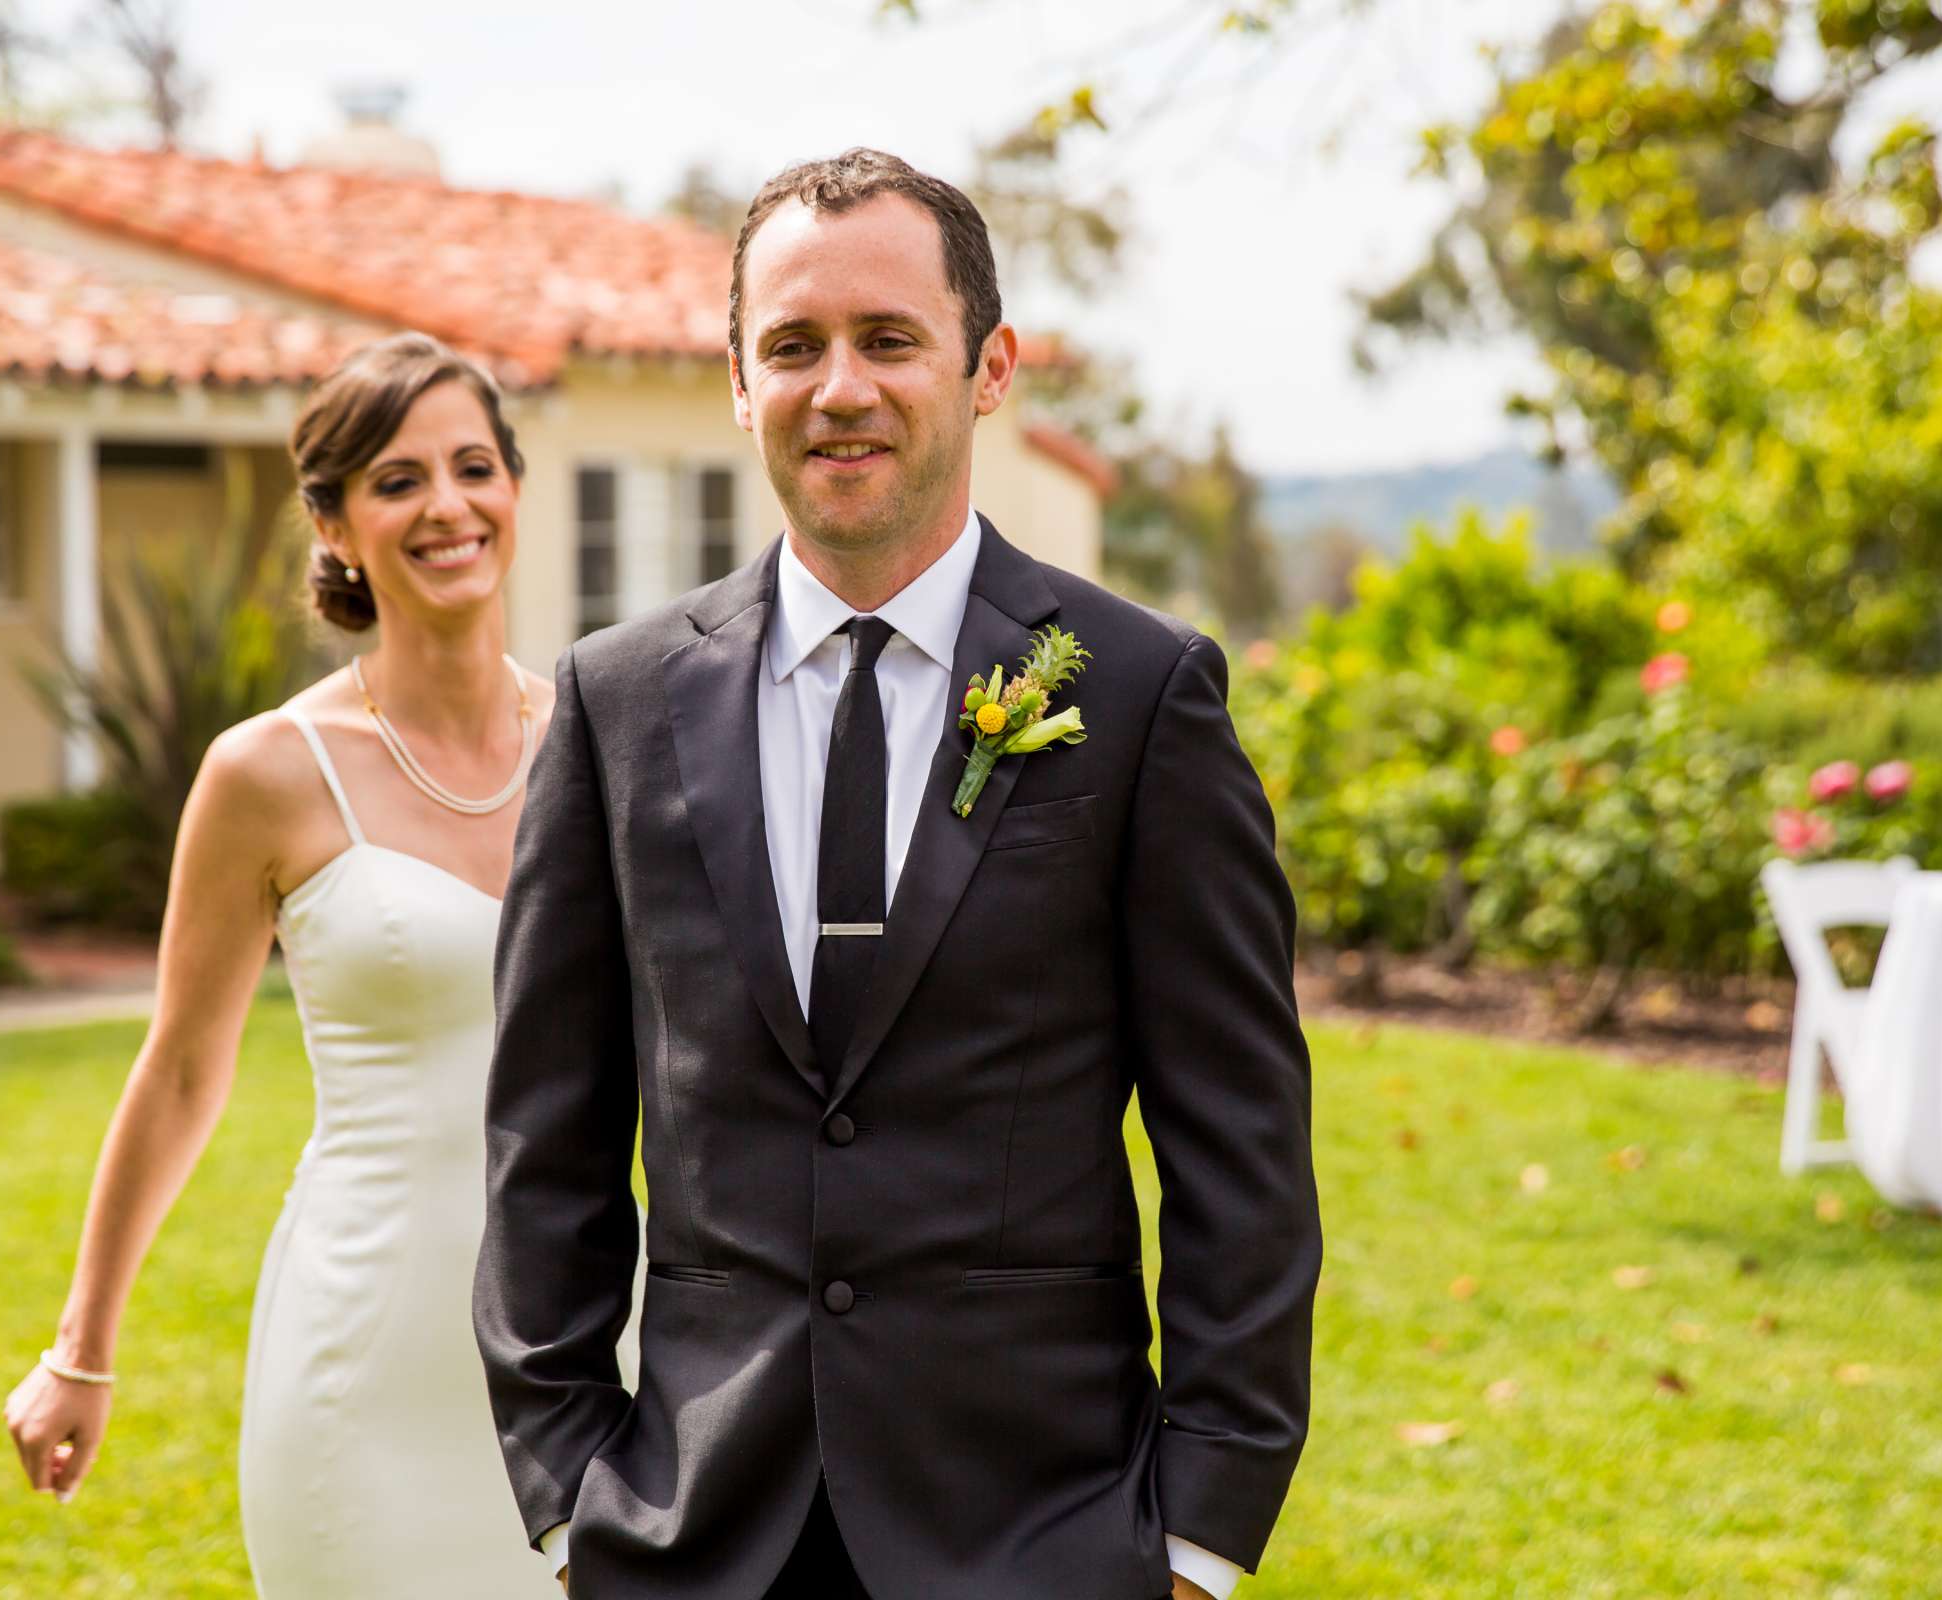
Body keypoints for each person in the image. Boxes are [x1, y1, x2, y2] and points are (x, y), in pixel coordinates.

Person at [474, 150, 1321, 1600]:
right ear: (739, 381)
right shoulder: (614, 707)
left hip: (1045, 1532)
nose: (840, 388)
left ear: (988, 368)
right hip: (696, 1535)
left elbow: (1240, 1145)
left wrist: (1196, 1536)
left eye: (888, 340)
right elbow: (543, 1145)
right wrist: (569, 1494)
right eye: (793, 347)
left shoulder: (1138, 696)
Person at [4, 332, 558, 1595]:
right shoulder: (263, 774)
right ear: (336, 523)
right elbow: (185, 1070)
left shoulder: (605, 734)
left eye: (475, 466)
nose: (448, 506)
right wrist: (82, 1349)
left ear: (515, 491)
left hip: (587, 1341)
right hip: (362, 1349)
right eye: (398, 479)